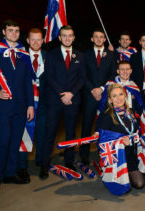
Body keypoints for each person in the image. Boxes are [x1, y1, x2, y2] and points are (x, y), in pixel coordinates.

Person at [0, 20, 34, 195]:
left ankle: (10, 174)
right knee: (3, 141)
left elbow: (28, 82)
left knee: (15, 142)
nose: (14, 33)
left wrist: (30, 105)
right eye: (10, 30)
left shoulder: (23, 53)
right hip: (3, 106)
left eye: (17, 31)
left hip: (20, 106)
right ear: (3, 32)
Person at [39, 25, 86, 179]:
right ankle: (44, 163)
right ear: (59, 38)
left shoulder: (80, 55)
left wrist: (71, 94)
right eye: (64, 35)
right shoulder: (51, 55)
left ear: (73, 37)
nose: (67, 38)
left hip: (73, 100)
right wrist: (62, 94)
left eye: (70, 35)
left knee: (71, 133)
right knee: (50, 132)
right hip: (55, 100)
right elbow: (49, 77)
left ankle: (69, 161)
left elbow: (82, 78)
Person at [80, 28, 117, 166]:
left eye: (101, 37)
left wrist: (101, 89)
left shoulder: (111, 55)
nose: (99, 39)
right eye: (96, 37)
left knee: (105, 126)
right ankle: (84, 156)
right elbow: (82, 75)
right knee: (86, 126)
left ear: (104, 39)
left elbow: (113, 74)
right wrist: (93, 90)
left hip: (106, 96)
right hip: (89, 96)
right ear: (92, 39)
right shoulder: (85, 55)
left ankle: (105, 154)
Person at [97, 84, 145, 189]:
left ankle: (127, 172)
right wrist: (120, 142)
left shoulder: (130, 112)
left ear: (125, 95)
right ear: (109, 100)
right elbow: (102, 143)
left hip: (130, 155)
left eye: (121, 94)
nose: (119, 98)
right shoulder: (107, 117)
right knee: (125, 187)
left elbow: (137, 131)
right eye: (114, 96)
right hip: (116, 159)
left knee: (140, 184)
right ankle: (112, 173)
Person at [17, 28, 47, 182]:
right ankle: (22, 166)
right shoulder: (20, 56)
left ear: (43, 41)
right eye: (33, 39)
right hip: (25, 103)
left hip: (43, 103)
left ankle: (42, 163)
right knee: (24, 135)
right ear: (27, 41)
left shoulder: (48, 56)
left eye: (39, 39)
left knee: (42, 134)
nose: (36, 42)